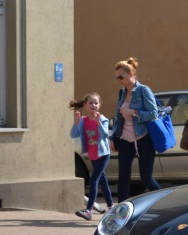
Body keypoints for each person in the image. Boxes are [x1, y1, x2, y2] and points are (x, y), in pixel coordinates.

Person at [112, 57, 162, 199]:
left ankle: (163, 200)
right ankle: (121, 214)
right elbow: (118, 117)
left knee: (146, 178)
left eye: (121, 76)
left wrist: (133, 113)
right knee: (123, 178)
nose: (119, 80)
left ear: (132, 73)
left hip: (143, 137)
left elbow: (153, 114)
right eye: (117, 78)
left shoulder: (143, 90)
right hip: (125, 139)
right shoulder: (122, 93)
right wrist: (113, 137)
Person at [69, 93, 114, 221]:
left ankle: (88, 210)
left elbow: (105, 135)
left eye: (96, 103)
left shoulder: (103, 119)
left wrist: (98, 123)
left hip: (103, 154)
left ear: (99, 105)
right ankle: (111, 206)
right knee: (103, 181)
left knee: (94, 180)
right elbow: (73, 135)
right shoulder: (83, 121)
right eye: (90, 103)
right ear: (85, 105)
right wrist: (76, 123)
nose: (93, 105)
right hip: (92, 154)